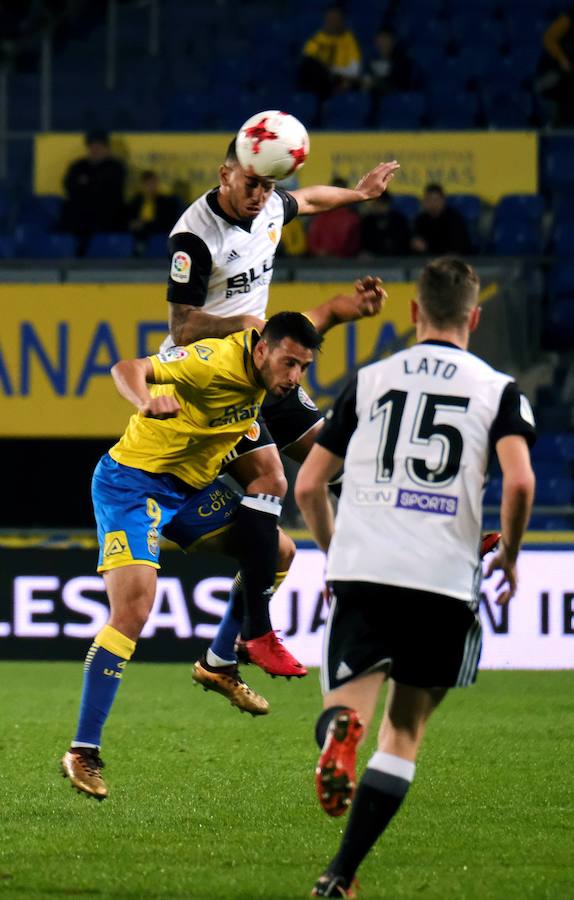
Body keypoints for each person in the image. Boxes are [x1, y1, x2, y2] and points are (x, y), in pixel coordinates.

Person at [295, 256, 536, 897]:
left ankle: (339, 735)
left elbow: (310, 484)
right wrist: (509, 553)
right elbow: (519, 480)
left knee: (345, 709)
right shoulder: (499, 389)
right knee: (403, 732)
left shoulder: (370, 381)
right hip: (444, 578)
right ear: (474, 318)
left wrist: (336, 550)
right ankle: (339, 877)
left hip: (366, 567)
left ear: (413, 312)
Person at [60, 311, 324, 801]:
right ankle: (83, 750)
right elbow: (127, 367)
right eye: (289, 363)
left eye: (303, 368)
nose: (294, 378)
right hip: (132, 486)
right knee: (134, 610)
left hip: (190, 490)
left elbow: (316, 319)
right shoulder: (211, 362)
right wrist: (146, 399)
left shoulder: (271, 380)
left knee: (277, 550)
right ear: (261, 350)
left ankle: (219, 661)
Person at [164, 134, 398, 683]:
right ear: (226, 173)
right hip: (216, 377)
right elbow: (182, 326)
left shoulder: (270, 202)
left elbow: (310, 199)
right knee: (270, 480)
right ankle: (255, 633)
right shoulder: (194, 236)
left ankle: (222, 657)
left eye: (269, 185)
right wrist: (245, 327)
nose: (261, 195)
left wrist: (359, 195)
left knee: (341, 458)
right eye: (251, 184)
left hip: (267, 366)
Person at [60, 129, 127, 256]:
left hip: (106, 216)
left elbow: (110, 192)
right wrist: (95, 185)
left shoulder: (115, 167)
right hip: (81, 215)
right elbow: (70, 187)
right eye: (92, 146)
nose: (95, 149)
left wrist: (87, 184)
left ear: (106, 148)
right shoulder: (79, 166)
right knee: (69, 212)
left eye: (99, 146)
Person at [297, 5, 362, 122]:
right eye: (330, 19)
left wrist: (335, 72)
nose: (332, 22)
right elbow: (308, 61)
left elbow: (354, 70)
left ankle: (322, 110)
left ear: (342, 21)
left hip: (341, 78)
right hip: (320, 79)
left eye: (336, 19)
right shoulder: (318, 38)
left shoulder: (348, 40)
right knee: (311, 67)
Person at [362, 27, 413, 125]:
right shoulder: (371, 61)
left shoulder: (402, 61)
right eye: (380, 39)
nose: (383, 42)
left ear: (393, 41)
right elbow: (366, 81)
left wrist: (377, 83)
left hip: (396, 103)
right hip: (374, 103)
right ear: (376, 41)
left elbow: (402, 84)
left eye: (386, 39)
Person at [127, 170, 183, 256]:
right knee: (137, 226)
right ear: (142, 185)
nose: (151, 187)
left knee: (144, 226)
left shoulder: (164, 201)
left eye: (153, 184)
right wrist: (133, 222)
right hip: (140, 226)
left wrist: (145, 223)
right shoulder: (136, 200)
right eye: (148, 184)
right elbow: (130, 215)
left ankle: (140, 246)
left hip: (157, 225)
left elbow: (165, 219)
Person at [536, 7, 574, 126]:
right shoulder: (571, 15)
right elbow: (549, 38)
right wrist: (563, 60)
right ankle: (553, 125)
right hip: (558, 74)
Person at [411, 183, 472, 256]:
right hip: (426, 260)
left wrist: (428, 248)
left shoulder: (454, 219)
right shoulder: (420, 220)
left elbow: (458, 247)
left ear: (443, 200)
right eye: (428, 200)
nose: (432, 204)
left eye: (435, 200)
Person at [307, 178, 361, 258]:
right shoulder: (320, 217)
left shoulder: (353, 219)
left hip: (343, 263)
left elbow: (354, 245)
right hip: (322, 262)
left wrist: (337, 255)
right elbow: (312, 242)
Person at [360, 191, 411, 256]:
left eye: (382, 204)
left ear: (388, 204)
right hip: (373, 261)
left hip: (397, 259)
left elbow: (405, 243)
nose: (378, 207)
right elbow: (364, 245)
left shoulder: (399, 220)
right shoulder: (367, 221)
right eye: (376, 203)